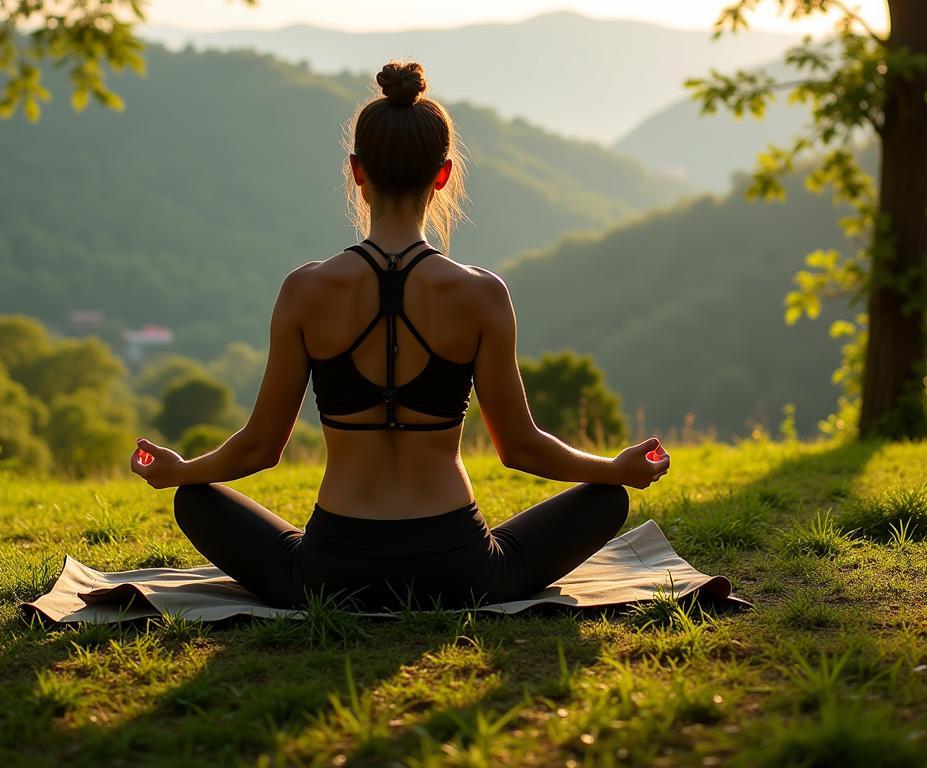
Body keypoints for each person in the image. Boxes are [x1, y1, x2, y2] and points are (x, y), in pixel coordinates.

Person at [130, 61, 671, 612]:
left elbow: (260, 448)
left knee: (196, 501)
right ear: (443, 175)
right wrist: (614, 470)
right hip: (462, 568)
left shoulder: (306, 290)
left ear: (356, 172)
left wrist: (181, 471)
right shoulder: (482, 294)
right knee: (605, 501)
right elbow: (520, 448)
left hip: (328, 572)